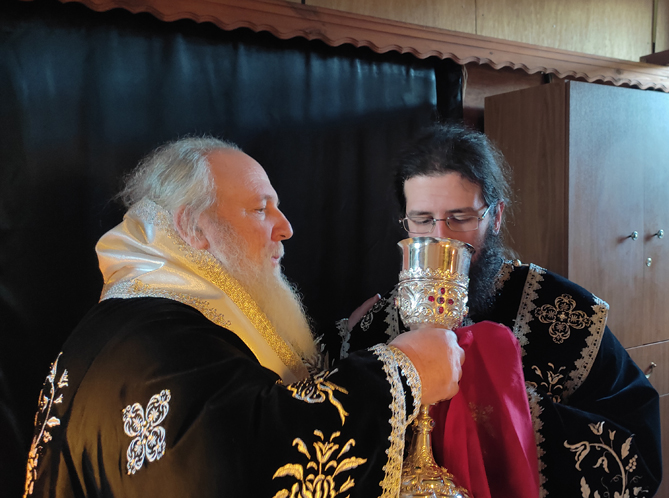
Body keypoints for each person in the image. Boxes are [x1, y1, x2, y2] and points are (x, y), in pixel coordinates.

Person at [23, 137, 464, 498]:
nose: (285, 227)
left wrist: (345, 341)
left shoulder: (141, 320)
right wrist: (403, 372)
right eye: (260, 208)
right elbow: (252, 460)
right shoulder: (162, 341)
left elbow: (244, 391)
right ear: (194, 227)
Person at [340, 124, 662, 497]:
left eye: (460, 218)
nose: (441, 238)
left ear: (495, 216)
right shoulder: (375, 326)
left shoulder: (565, 313)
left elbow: (638, 452)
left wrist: (503, 407)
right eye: (423, 220)